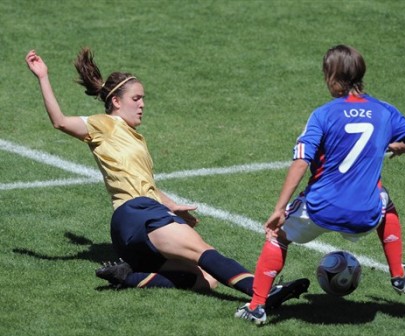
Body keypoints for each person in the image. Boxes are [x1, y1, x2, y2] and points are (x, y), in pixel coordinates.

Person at [25, 48, 309, 309]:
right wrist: (43, 77)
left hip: (131, 229)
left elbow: (145, 183)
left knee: (205, 281)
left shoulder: (135, 138)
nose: (142, 104)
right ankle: (263, 293)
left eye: (143, 98)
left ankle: (130, 277)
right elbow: (60, 121)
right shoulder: (105, 124)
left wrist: (172, 206)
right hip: (138, 213)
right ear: (115, 101)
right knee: (203, 250)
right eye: (136, 98)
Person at [235, 44, 405, 324]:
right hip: (364, 216)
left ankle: (256, 307)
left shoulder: (323, 114)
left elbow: (301, 162)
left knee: (277, 235)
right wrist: (401, 147)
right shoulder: (385, 112)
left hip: (320, 208)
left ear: (332, 76)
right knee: (385, 203)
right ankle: (398, 275)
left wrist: (279, 208)